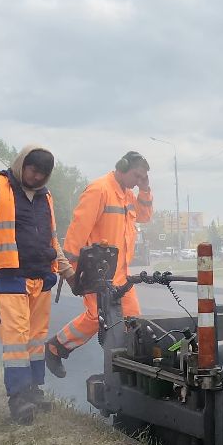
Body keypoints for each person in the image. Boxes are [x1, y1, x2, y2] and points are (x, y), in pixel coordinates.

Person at [0, 144, 70, 423]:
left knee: (36, 339)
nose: (36, 177)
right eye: (33, 170)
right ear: (22, 164)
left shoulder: (46, 197)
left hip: (41, 277)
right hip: (9, 277)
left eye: (42, 174)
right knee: (16, 339)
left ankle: (34, 390)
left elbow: (53, 239)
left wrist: (67, 271)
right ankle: (19, 398)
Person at [42, 151, 153, 377]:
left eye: (142, 177)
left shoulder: (128, 195)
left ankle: (126, 368)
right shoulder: (99, 189)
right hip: (97, 271)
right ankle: (57, 347)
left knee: (132, 321)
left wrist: (145, 188)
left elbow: (144, 216)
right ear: (121, 167)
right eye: (136, 176)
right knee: (97, 316)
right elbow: (78, 229)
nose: (137, 181)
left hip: (120, 273)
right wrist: (70, 270)